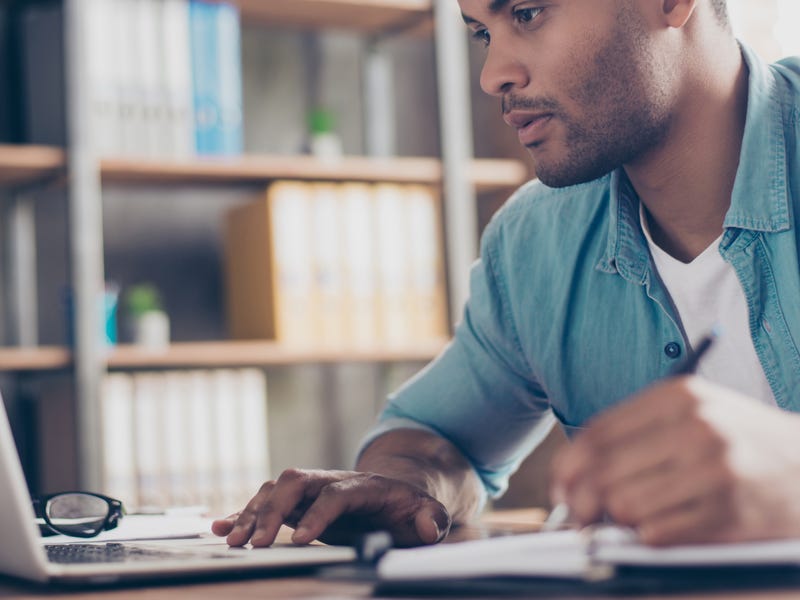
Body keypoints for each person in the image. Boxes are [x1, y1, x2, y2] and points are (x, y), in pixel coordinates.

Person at [212, 0, 800, 549]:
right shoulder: (535, 241)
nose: (492, 74)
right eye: (482, 33)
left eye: (528, 12)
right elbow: (437, 439)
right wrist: (410, 485)